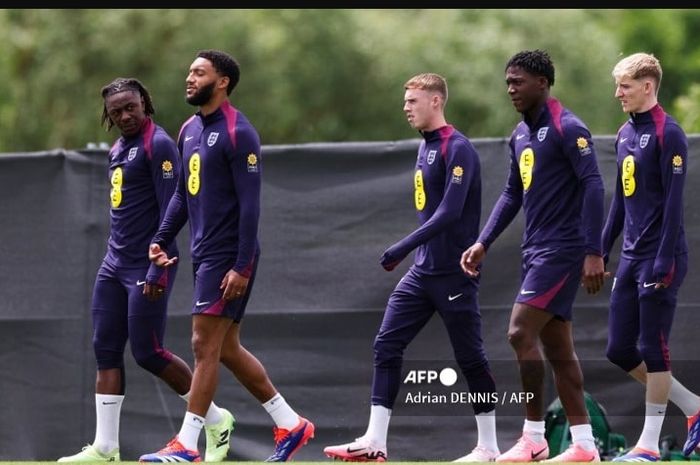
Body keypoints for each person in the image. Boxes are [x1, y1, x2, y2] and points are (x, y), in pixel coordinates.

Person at [138, 50, 314, 463]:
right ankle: (291, 423)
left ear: (222, 82)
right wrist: (162, 237)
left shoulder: (240, 132)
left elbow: (251, 207)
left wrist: (241, 265)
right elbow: (183, 192)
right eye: (189, 71)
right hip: (203, 252)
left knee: (203, 344)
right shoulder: (188, 130)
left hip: (228, 254)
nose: (189, 78)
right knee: (227, 348)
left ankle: (186, 445)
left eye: (199, 73)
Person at [323, 73, 500, 463]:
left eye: (413, 101)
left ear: (436, 102)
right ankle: (375, 441)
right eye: (405, 100)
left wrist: (402, 246)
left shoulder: (459, 148)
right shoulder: (425, 148)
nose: (406, 107)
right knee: (386, 345)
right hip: (422, 273)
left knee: (470, 358)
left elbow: (450, 212)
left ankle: (489, 447)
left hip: (455, 274)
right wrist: (414, 255)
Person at [58, 78, 234, 463]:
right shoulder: (118, 148)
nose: (125, 115)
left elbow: (174, 209)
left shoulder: (160, 146)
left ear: (145, 103)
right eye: (116, 111)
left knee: (147, 352)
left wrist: (157, 266)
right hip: (113, 264)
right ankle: (106, 447)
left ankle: (216, 419)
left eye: (131, 107)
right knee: (104, 349)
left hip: (150, 264)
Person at [460, 49, 606, 463]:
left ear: (542, 82)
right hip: (534, 250)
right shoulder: (519, 135)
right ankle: (584, 447)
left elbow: (594, 186)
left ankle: (533, 436)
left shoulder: (568, 127)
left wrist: (593, 251)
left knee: (518, 332)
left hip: (562, 251)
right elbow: (512, 194)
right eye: (507, 82)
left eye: (518, 81)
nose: (511, 89)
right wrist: (483, 242)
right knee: (559, 350)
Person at [602, 52, 700, 462]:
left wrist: (663, 260)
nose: (618, 93)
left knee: (651, 344)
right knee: (619, 349)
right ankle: (695, 407)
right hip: (630, 257)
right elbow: (622, 201)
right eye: (617, 85)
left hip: (662, 256)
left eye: (625, 85)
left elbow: (675, 204)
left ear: (647, 86)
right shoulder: (625, 133)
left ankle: (648, 446)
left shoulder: (669, 133)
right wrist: (600, 249)